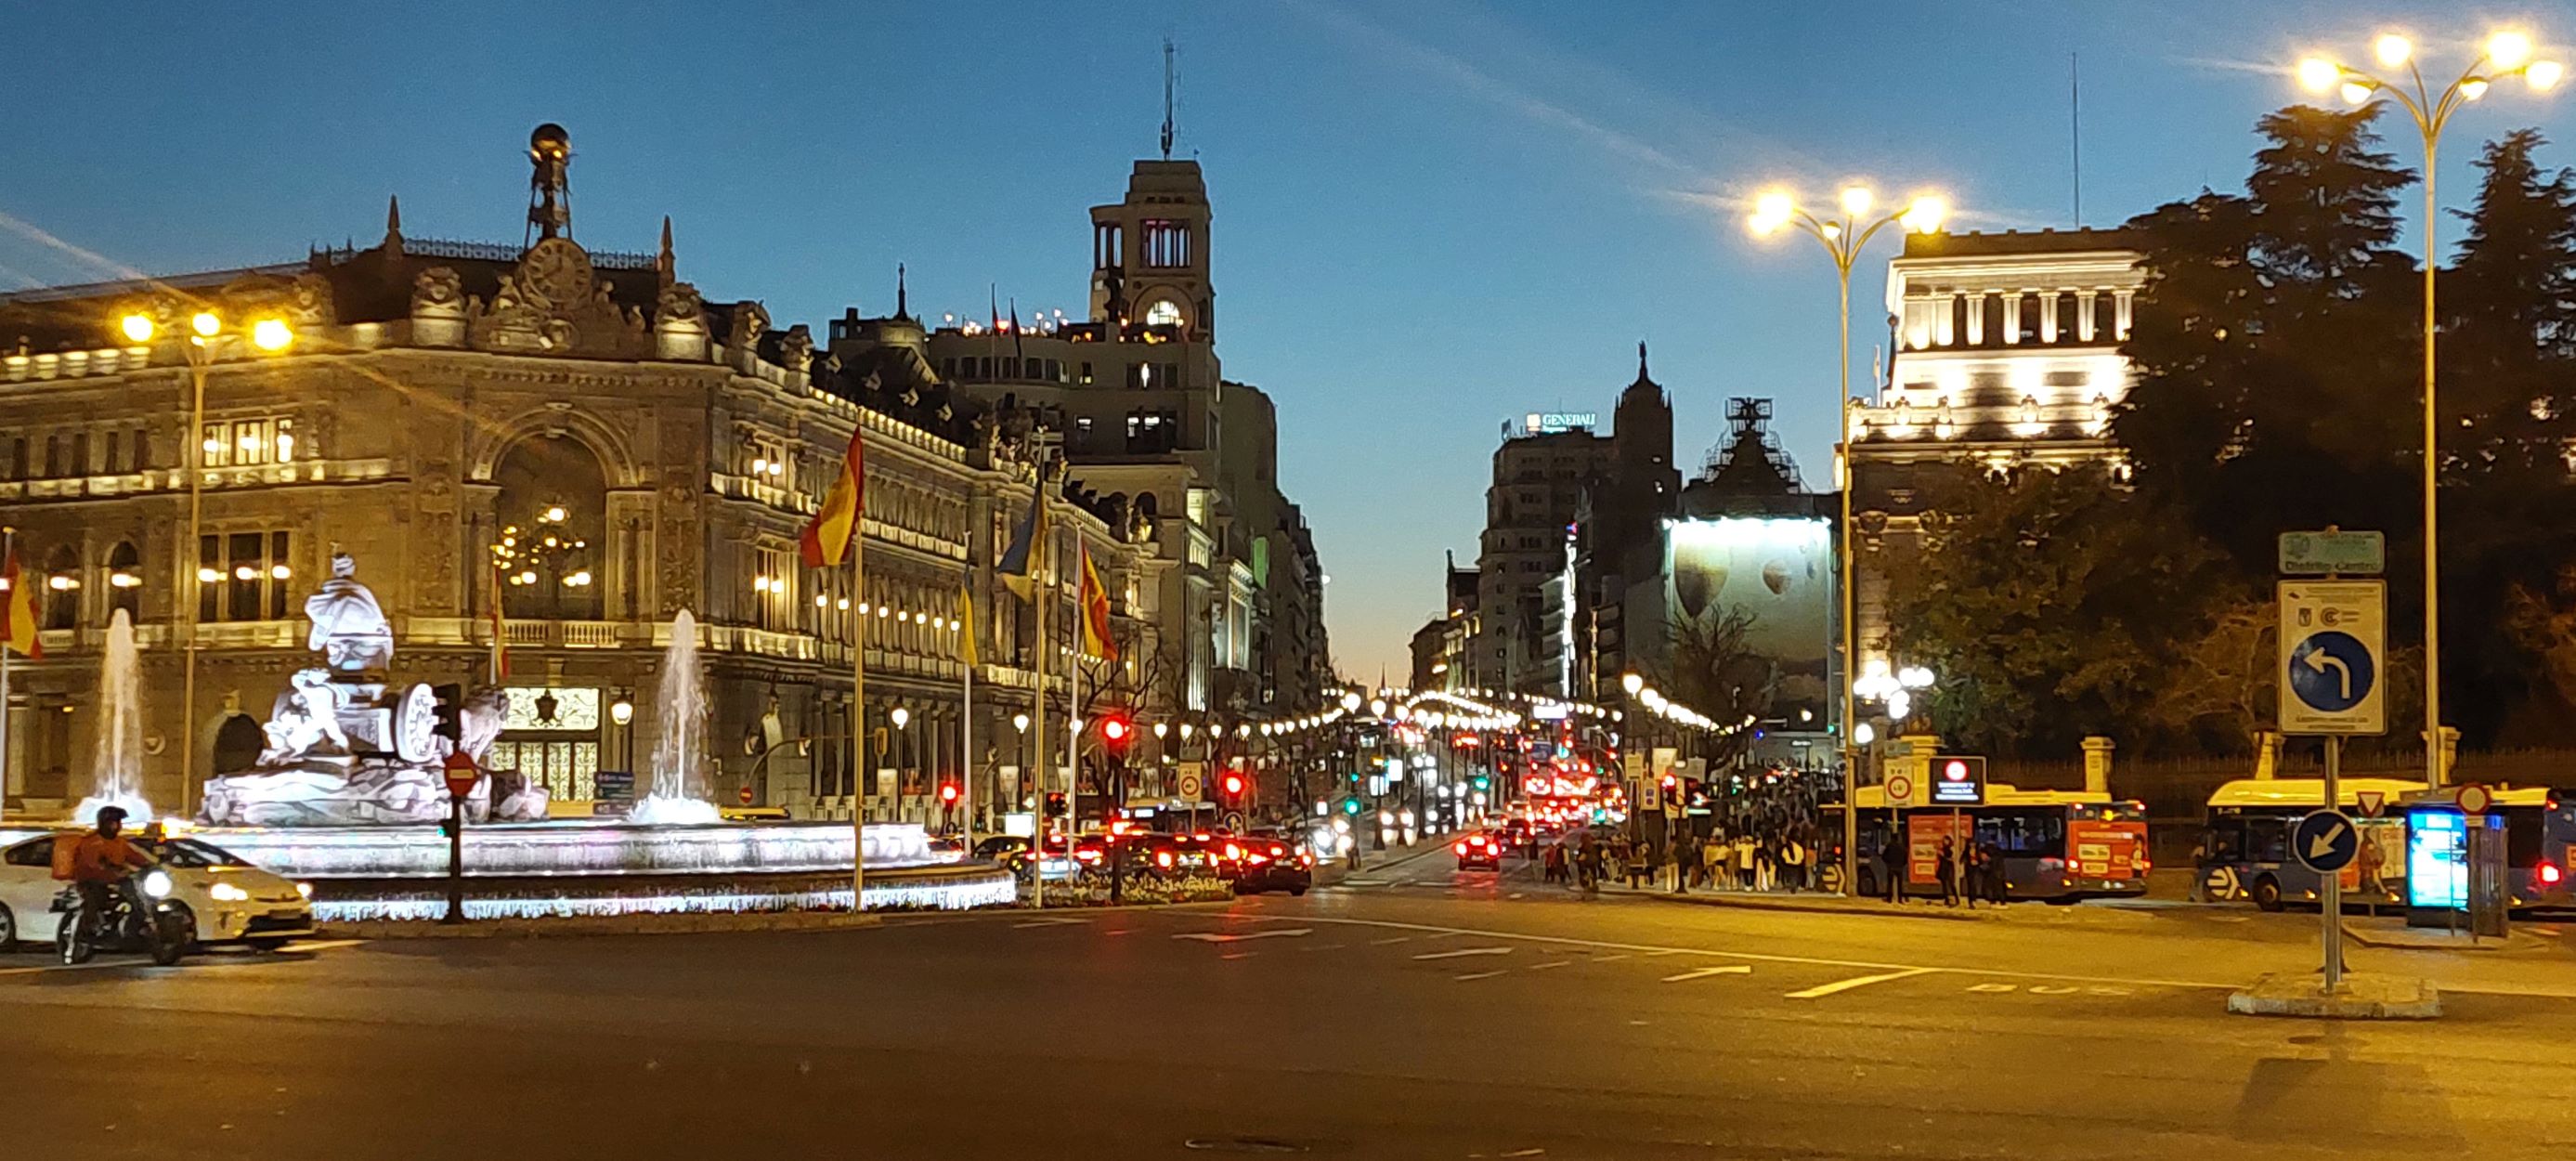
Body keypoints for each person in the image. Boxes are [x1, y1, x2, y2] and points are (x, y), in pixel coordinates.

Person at [61, 806, 154, 940]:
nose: (117, 826)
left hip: (115, 879)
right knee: (95, 900)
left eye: (118, 822)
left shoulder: (119, 842)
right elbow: (94, 863)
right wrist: (111, 868)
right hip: (92, 880)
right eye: (113, 822)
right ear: (103, 823)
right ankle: (88, 930)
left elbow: (135, 856)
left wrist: (150, 865)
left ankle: (140, 923)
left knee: (137, 896)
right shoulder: (92, 842)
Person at [1880, 833, 1906, 904]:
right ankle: (1900, 899)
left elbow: (1883, 856)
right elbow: (1906, 857)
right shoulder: (1901, 847)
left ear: (1892, 838)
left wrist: (1888, 863)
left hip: (1891, 867)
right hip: (1899, 868)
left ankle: (1889, 899)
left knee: (1890, 884)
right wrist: (1902, 864)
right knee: (1900, 885)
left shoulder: (1890, 846)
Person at [1936, 835, 1961, 907]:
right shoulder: (1942, 848)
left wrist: (1943, 856)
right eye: (1944, 840)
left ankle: (1957, 899)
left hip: (1949, 867)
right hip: (1943, 867)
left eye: (1946, 840)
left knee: (1951, 883)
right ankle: (1946, 899)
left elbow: (1952, 858)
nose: (1945, 842)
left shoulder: (1952, 848)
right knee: (1944, 884)